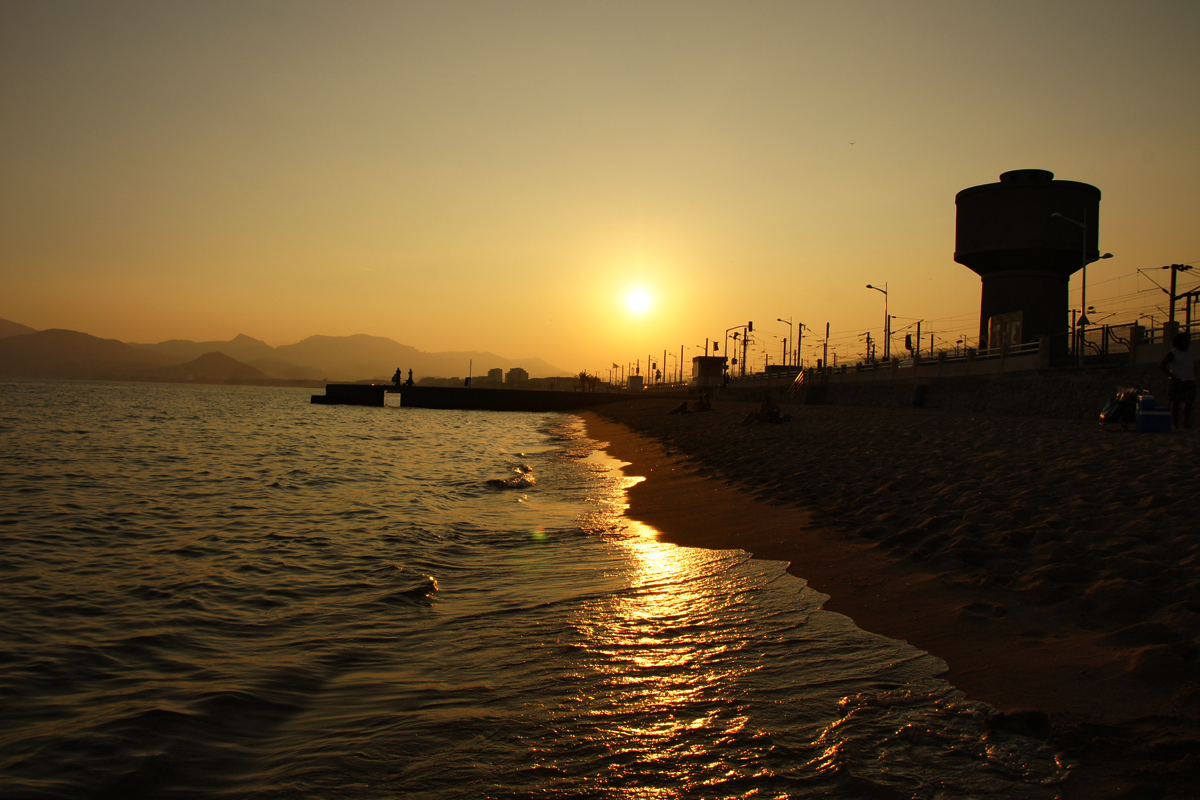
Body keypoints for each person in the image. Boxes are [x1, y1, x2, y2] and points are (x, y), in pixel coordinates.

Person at [1160, 332, 1195, 429]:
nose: (1187, 343)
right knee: (1176, 403)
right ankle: (1175, 423)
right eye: (1185, 341)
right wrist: (1172, 376)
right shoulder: (1173, 353)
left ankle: (1185, 423)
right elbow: (1162, 365)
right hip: (1177, 381)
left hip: (1189, 380)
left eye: (1188, 341)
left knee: (1188, 403)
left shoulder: (1190, 353)